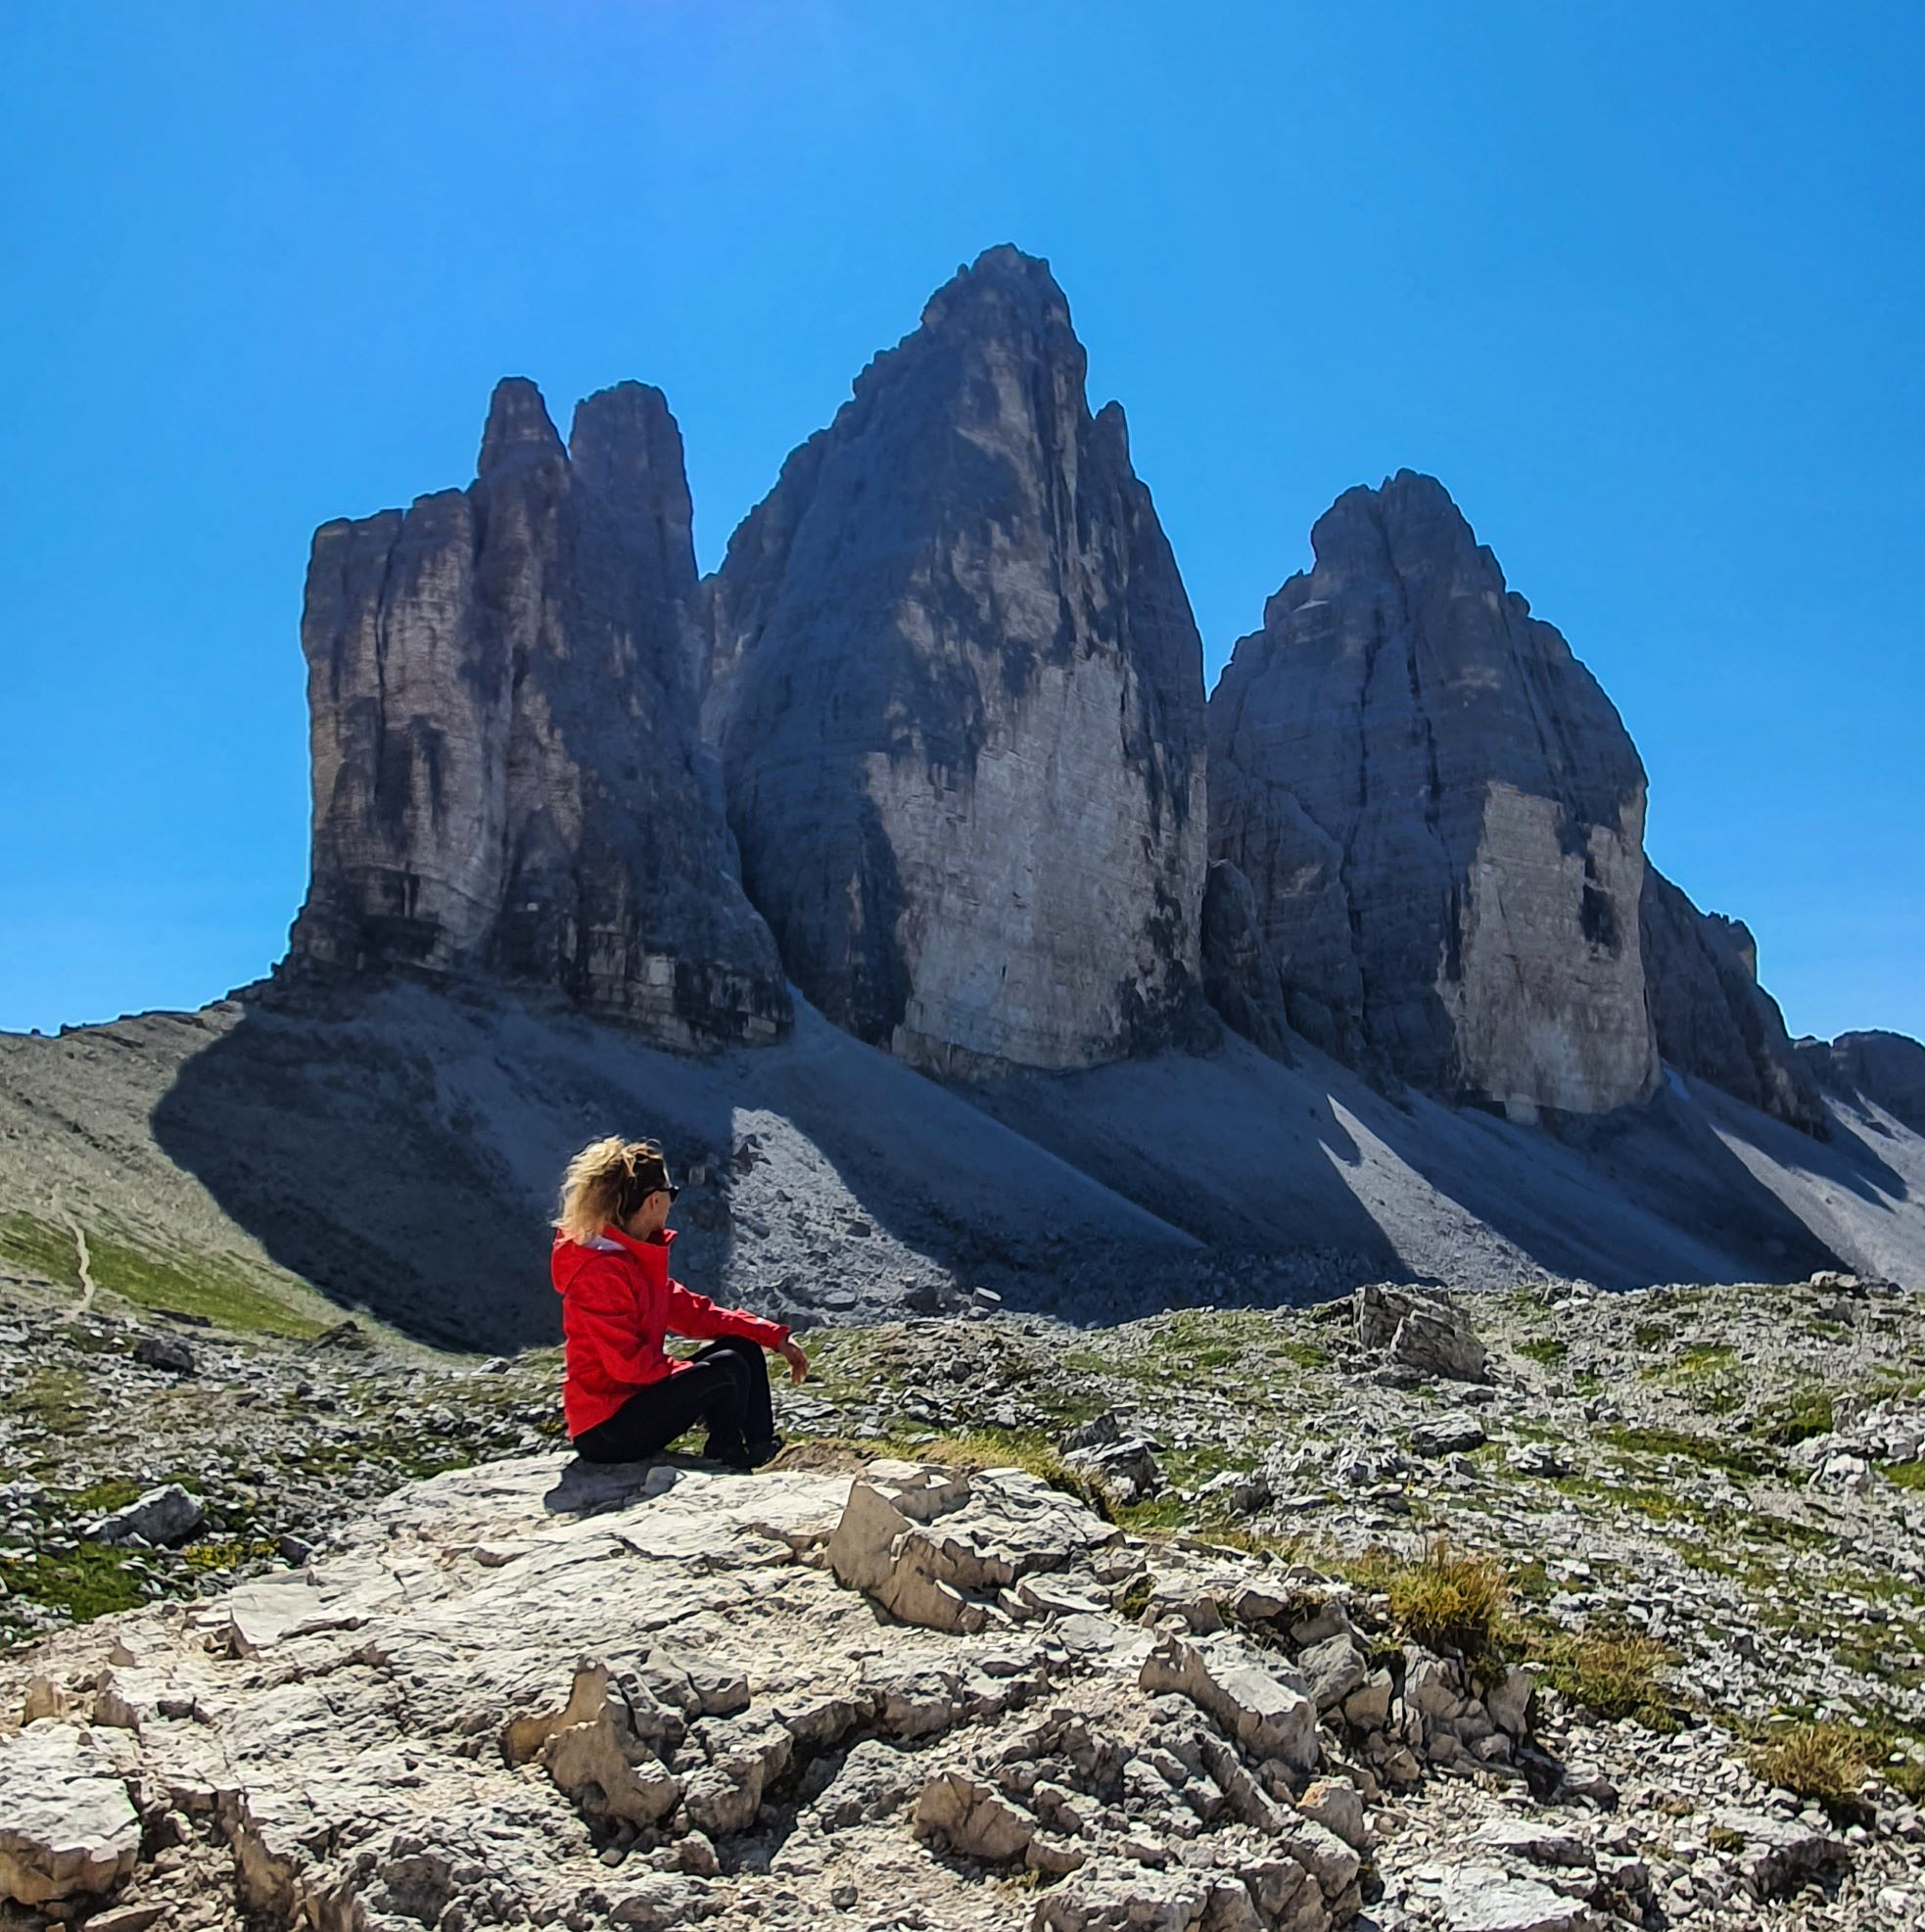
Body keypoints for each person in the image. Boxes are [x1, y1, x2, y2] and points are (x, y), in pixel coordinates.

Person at [550, 1135, 808, 1468]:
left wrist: (773, 1336)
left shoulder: (633, 1260)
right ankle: (727, 1456)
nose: (673, 1202)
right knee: (725, 1368)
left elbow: (697, 1315)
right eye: (670, 1194)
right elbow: (626, 1365)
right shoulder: (602, 1271)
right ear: (653, 1201)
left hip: (631, 1407)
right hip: (606, 1429)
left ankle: (760, 1449)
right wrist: (694, 1375)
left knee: (740, 1349)